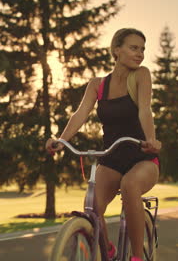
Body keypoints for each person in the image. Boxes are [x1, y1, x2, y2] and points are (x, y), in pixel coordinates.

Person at [46, 28, 161, 261]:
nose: (140, 54)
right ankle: (107, 250)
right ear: (116, 50)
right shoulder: (97, 84)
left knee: (130, 185)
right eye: (133, 47)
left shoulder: (141, 75)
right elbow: (80, 114)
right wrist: (61, 140)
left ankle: (137, 257)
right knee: (93, 204)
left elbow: (145, 109)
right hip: (111, 156)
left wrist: (150, 139)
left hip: (142, 157)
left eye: (142, 49)